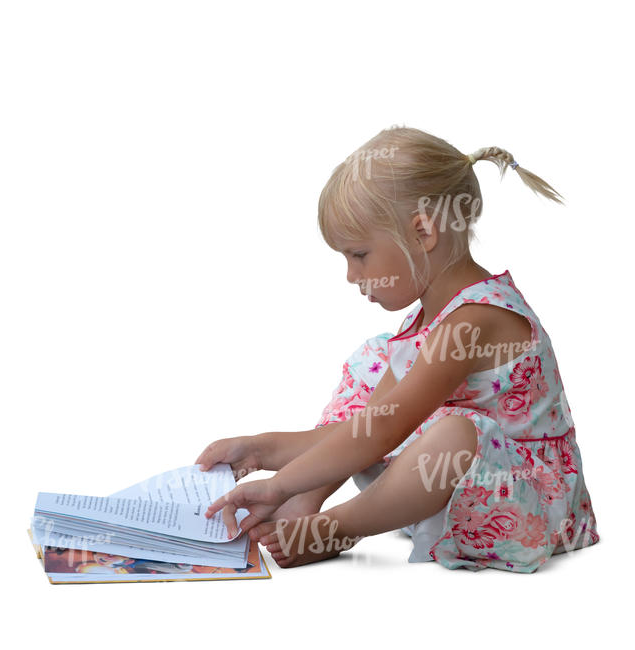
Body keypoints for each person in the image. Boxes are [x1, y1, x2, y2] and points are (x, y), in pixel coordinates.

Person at [196, 126, 600, 573]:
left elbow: (384, 432)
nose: (352, 275)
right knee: (374, 371)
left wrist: (277, 483)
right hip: (458, 488)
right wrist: (259, 451)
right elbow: (368, 425)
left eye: (359, 254)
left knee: (450, 431)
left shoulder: (473, 321)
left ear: (423, 232)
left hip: (529, 501)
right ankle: (302, 500)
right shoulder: (425, 320)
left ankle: (337, 525)